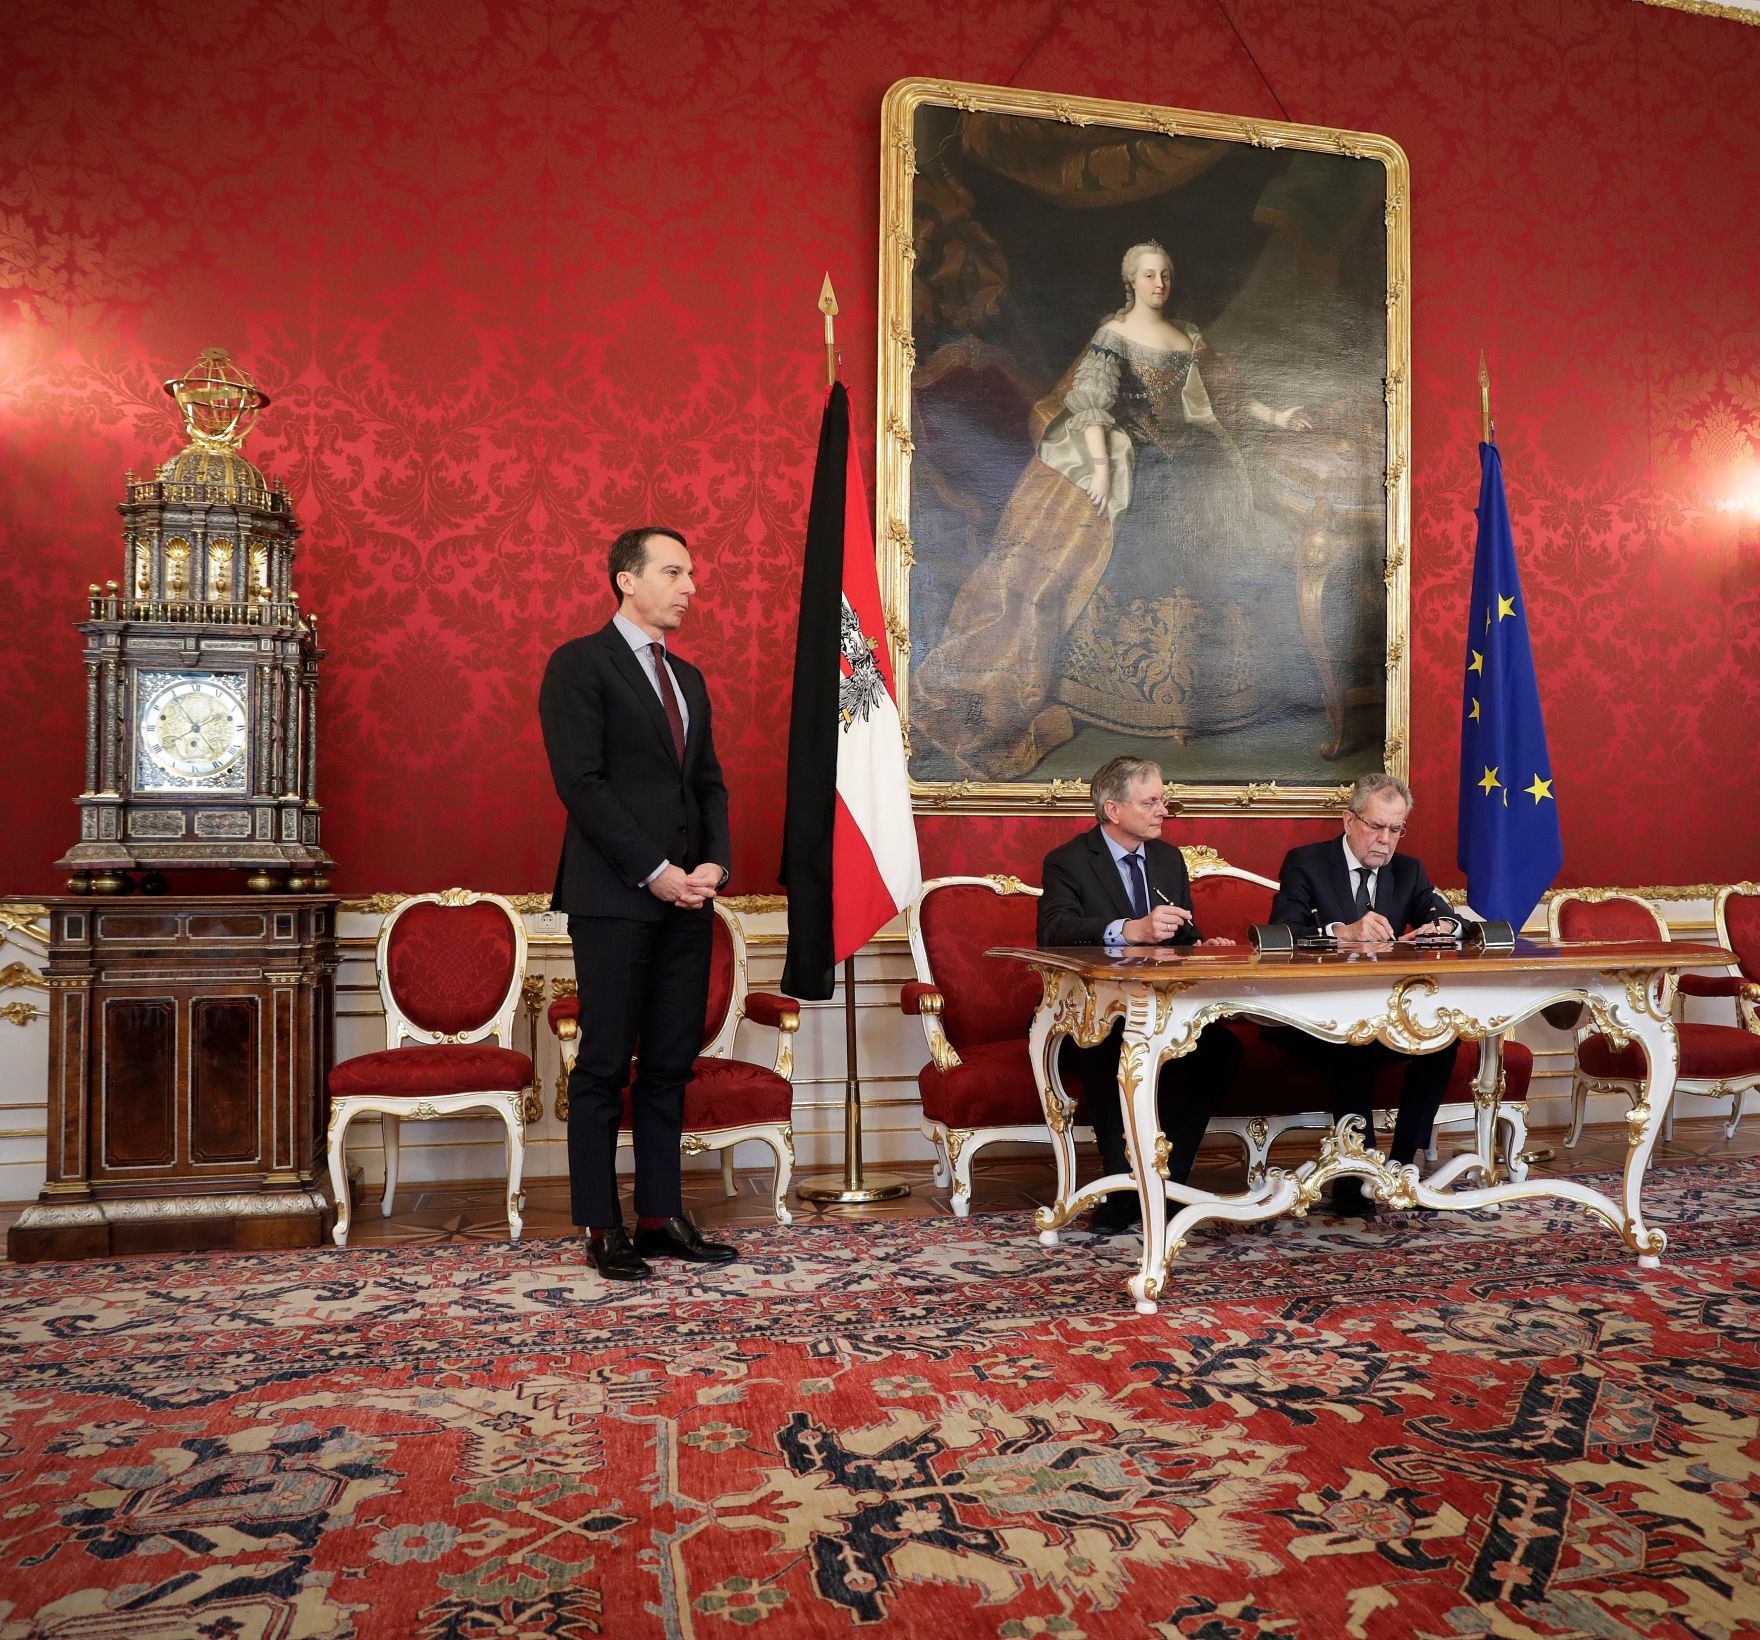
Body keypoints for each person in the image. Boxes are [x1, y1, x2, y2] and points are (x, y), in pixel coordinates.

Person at [914, 240, 1312, 779]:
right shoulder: (1114, 335)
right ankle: (1124, 689)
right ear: (1132, 281)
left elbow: (1226, 395)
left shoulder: (1188, 335)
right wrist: (1100, 467)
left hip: (1189, 458)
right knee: (1134, 538)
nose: (1160, 283)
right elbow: (1092, 406)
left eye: (1166, 274)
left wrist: (1278, 416)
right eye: (1149, 275)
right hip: (1133, 458)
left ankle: (1206, 691)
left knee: (1219, 526)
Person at [538, 526, 738, 1281]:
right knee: (601, 1066)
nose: (690, 587)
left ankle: (662, 1216)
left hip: (691, 902)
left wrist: (712, 864)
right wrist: (655, 870)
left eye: (691, 573)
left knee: (668, 1065)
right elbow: (581, 784)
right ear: (627, 580)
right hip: (617, 899)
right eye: (674, 572)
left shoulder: (688, 677)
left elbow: (709, 783)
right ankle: (602, 1225)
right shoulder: (578, 665)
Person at [1037, 755, 1244, 1233]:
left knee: (1220, 1052)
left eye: (1162, 800)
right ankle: (1120, 1190)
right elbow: (1053, 930)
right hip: (1096, 1010)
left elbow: (1179, 932)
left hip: (1166, 1008)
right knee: (1110, 1052)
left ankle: (1169, 1184)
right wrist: (1129, 929)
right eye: (1151, 802)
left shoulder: (1169, 859)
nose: (1163, 811)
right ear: (1113, 809)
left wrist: (1202, 944)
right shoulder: (1068, 860)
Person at [1268, 771, 1463, 1215]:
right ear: (1349, 820)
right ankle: (1356, 1179)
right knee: (1353, 1044)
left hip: (1383, 1014)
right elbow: (1283, 933)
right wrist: (1342, 933)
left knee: (1443, 1041)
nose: (1385, 840)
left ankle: (1401, 1168)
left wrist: (1442, 928)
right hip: (1310, 1018)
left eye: (1396, 830)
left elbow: (1450, 919)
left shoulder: (1408, 871)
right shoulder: (1306, 863)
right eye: (1376, 827)